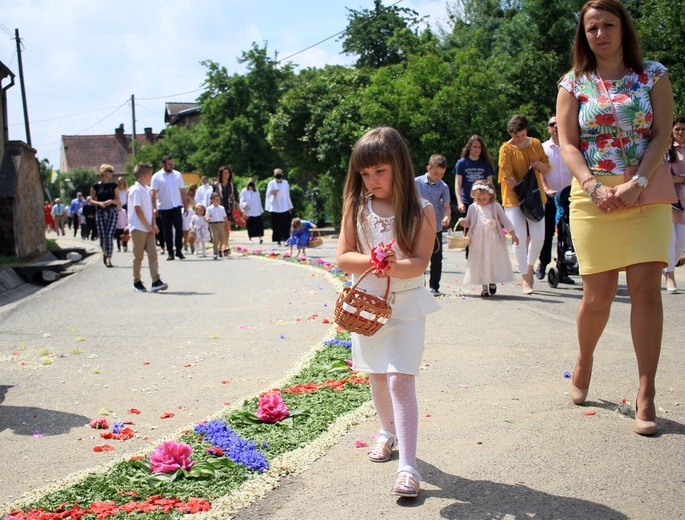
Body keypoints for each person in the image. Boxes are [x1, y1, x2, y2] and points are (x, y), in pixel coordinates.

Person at [556, 0, 674, 436]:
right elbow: (568, 144)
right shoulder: (573, 83)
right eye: (591, 28)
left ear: (624, 29)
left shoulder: (653, 74)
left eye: (608, 25)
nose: (600, 34)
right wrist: (592, 186)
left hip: (645, 191)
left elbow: (663, 131)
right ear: (583, 35)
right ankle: (585, 357)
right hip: (594, 197)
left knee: (646, 291)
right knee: (597, 297)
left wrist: (638, 181)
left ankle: (647, 391)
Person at [336, 127, 440, 498]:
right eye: (364, 174)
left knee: (400, 379)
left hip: (407, 306)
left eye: (379, 171)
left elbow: (419, 263)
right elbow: (344, 256)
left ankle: (408, 467)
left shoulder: (422, 210)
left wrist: (394, 265)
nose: (371, 180)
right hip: (367, 306)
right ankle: (387, 430)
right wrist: (373, 260)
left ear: (398, 165)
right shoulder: (356, 206)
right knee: (377, 376)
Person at [498, 114, 551, 294]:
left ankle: (530, 266)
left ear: (526, 131)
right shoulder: (505, 149)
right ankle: (525, 278)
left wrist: (537, 165)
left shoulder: (535, 144)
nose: (519, 139)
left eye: (521, 135)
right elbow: (507, 176)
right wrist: (522, 193)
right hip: (514, 197)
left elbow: (547, 167)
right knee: (518, 237)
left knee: (539, 236)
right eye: (515, 136)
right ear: (509, 133)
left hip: (535, 196)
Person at [458, 181, 519, 297]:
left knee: (491, 260)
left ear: (490, 195)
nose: (481, 201)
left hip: (493, 238)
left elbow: (504, 220)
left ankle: (492, 281)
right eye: (478, 199)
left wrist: (513, 233)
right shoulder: (473, 207)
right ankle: (484, 287)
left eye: (483, 199)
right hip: (478, 239)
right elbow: (469, 222)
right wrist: (463, 222)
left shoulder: (496, 207)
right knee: (481, 260)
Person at [537, 115, 575, 284]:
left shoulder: (571, 147)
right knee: (547, 233)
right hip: (550, 197)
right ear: (548, 128)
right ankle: (543, 262)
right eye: (552, 124)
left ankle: (563, 268)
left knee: (566, 233)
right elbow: (539, 171)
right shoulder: (543, 148)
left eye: (559, 124)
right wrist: (545, 189)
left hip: (568, 196)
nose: (556, 127)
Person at [128, 163, 168, 293]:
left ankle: (156, 280)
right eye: (150, 175)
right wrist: (147, 226)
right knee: (138, 256)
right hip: (138, 227)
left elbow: (150, 208)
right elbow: (137, 209)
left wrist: (153, 224)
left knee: (153, 254)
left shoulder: (146, 189)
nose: (151, 177)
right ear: (145, 175)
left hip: (149, 228)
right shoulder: (136, 190)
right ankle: (137, 281)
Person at [415, 154, 451, 295]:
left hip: (435, 226)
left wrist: (447, 216)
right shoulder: (416, 182)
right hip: (418, 226)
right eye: (436, 173)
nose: (438, 177)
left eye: (441, 174)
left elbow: (447, 206)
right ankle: (419, 284)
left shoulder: (443, 186)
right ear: (428, 168)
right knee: (418, 256)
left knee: (436, 257)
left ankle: (435, 286)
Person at [151, 156, 189, 261]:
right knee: (167, 231)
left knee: (179, 229)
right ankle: (170, 252)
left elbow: (182, 190)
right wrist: (154, 208)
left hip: (176, 206)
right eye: (169, 164)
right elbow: (153, 193)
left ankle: (179, 250)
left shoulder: (177, 175)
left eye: (172, 164)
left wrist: (186, 206)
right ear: (163, 165)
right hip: (164, 207)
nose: (171, 166)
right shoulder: (156, 176)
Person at [665, 116, 685, 293]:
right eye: (677, 129)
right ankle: (670, 276)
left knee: (682, 240)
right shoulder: (667, 149)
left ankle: (670, 264)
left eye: (683, 129)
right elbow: (664, 174)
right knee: (670, 238)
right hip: (669, 198)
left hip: (684, 200)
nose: (680, 132)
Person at [91, 164, 121, 268]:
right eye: (109, 171)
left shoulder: (114, 186)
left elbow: (118, 201)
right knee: (102, 237)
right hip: (100, 212)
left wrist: (111, 201)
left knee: (109, 235)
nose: (111, 173)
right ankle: (105, 253)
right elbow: (91, 199)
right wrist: (99, 203)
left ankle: (109, 258)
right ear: (103, 172)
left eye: (112, 171)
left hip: (112, 211)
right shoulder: (96, 186)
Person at [265, 168, 294, 246]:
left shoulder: (285, 183)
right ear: (274, 175)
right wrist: (273, 194)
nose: (278, 174)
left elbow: (287, 195)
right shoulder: (271, 183)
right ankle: (278, 240)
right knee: (276, 225)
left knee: (286, 225)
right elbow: (268, 194)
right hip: (275, 207)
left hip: (284, 207)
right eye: (276, 173)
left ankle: (286, 239)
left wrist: (290, 206)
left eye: (279, 172)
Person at [213, 166, 237, 256]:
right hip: (219, 207)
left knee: (227, 227)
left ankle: (226, 245)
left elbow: (236, 196)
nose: (226, 175)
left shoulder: (232, 184)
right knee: (221, 228)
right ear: (221, 174)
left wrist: (238, 208)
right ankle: (221, 245)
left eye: (228, 173)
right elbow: (213, 196)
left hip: (229, 207)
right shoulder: (216, 185)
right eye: (224, 173)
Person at [239, 179, 265, 244]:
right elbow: (241, 201)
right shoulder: (244, 191)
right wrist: (244, 206)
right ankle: (250, 239)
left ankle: (260, 238)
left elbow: (259, 201)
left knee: (259, 225)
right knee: (250, 226)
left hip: (257, 211)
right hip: (249, 211)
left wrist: (261, 210)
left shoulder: (256, 191)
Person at [206, 192, 229, 260]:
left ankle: (219, 250)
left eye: (219, 200)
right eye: (216, 200)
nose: (218, 201)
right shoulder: (209, 208)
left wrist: (227, 225)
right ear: (212, 200)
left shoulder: (222, 208)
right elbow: (206, 217)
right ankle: (215, 253)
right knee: (215, 239)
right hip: (213, 224)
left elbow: (225, 217)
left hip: (221, 224)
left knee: (222, 239)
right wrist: (208, 219)